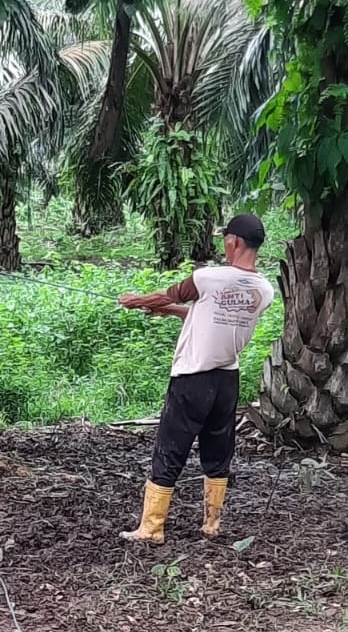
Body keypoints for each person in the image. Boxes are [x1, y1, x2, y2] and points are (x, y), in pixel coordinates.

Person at [117, 213, 275, 543]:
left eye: (225, 240)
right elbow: (216, 316)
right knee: (218, 450)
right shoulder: (264, 289)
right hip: (226, 380)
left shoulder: (209, 277)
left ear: (234, 242)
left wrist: (136, 301)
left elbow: (172, 294)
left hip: (192, 378)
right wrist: (172, 313)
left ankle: (151, 527)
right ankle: (211, 523)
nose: (224, 245)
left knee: (170, 447)